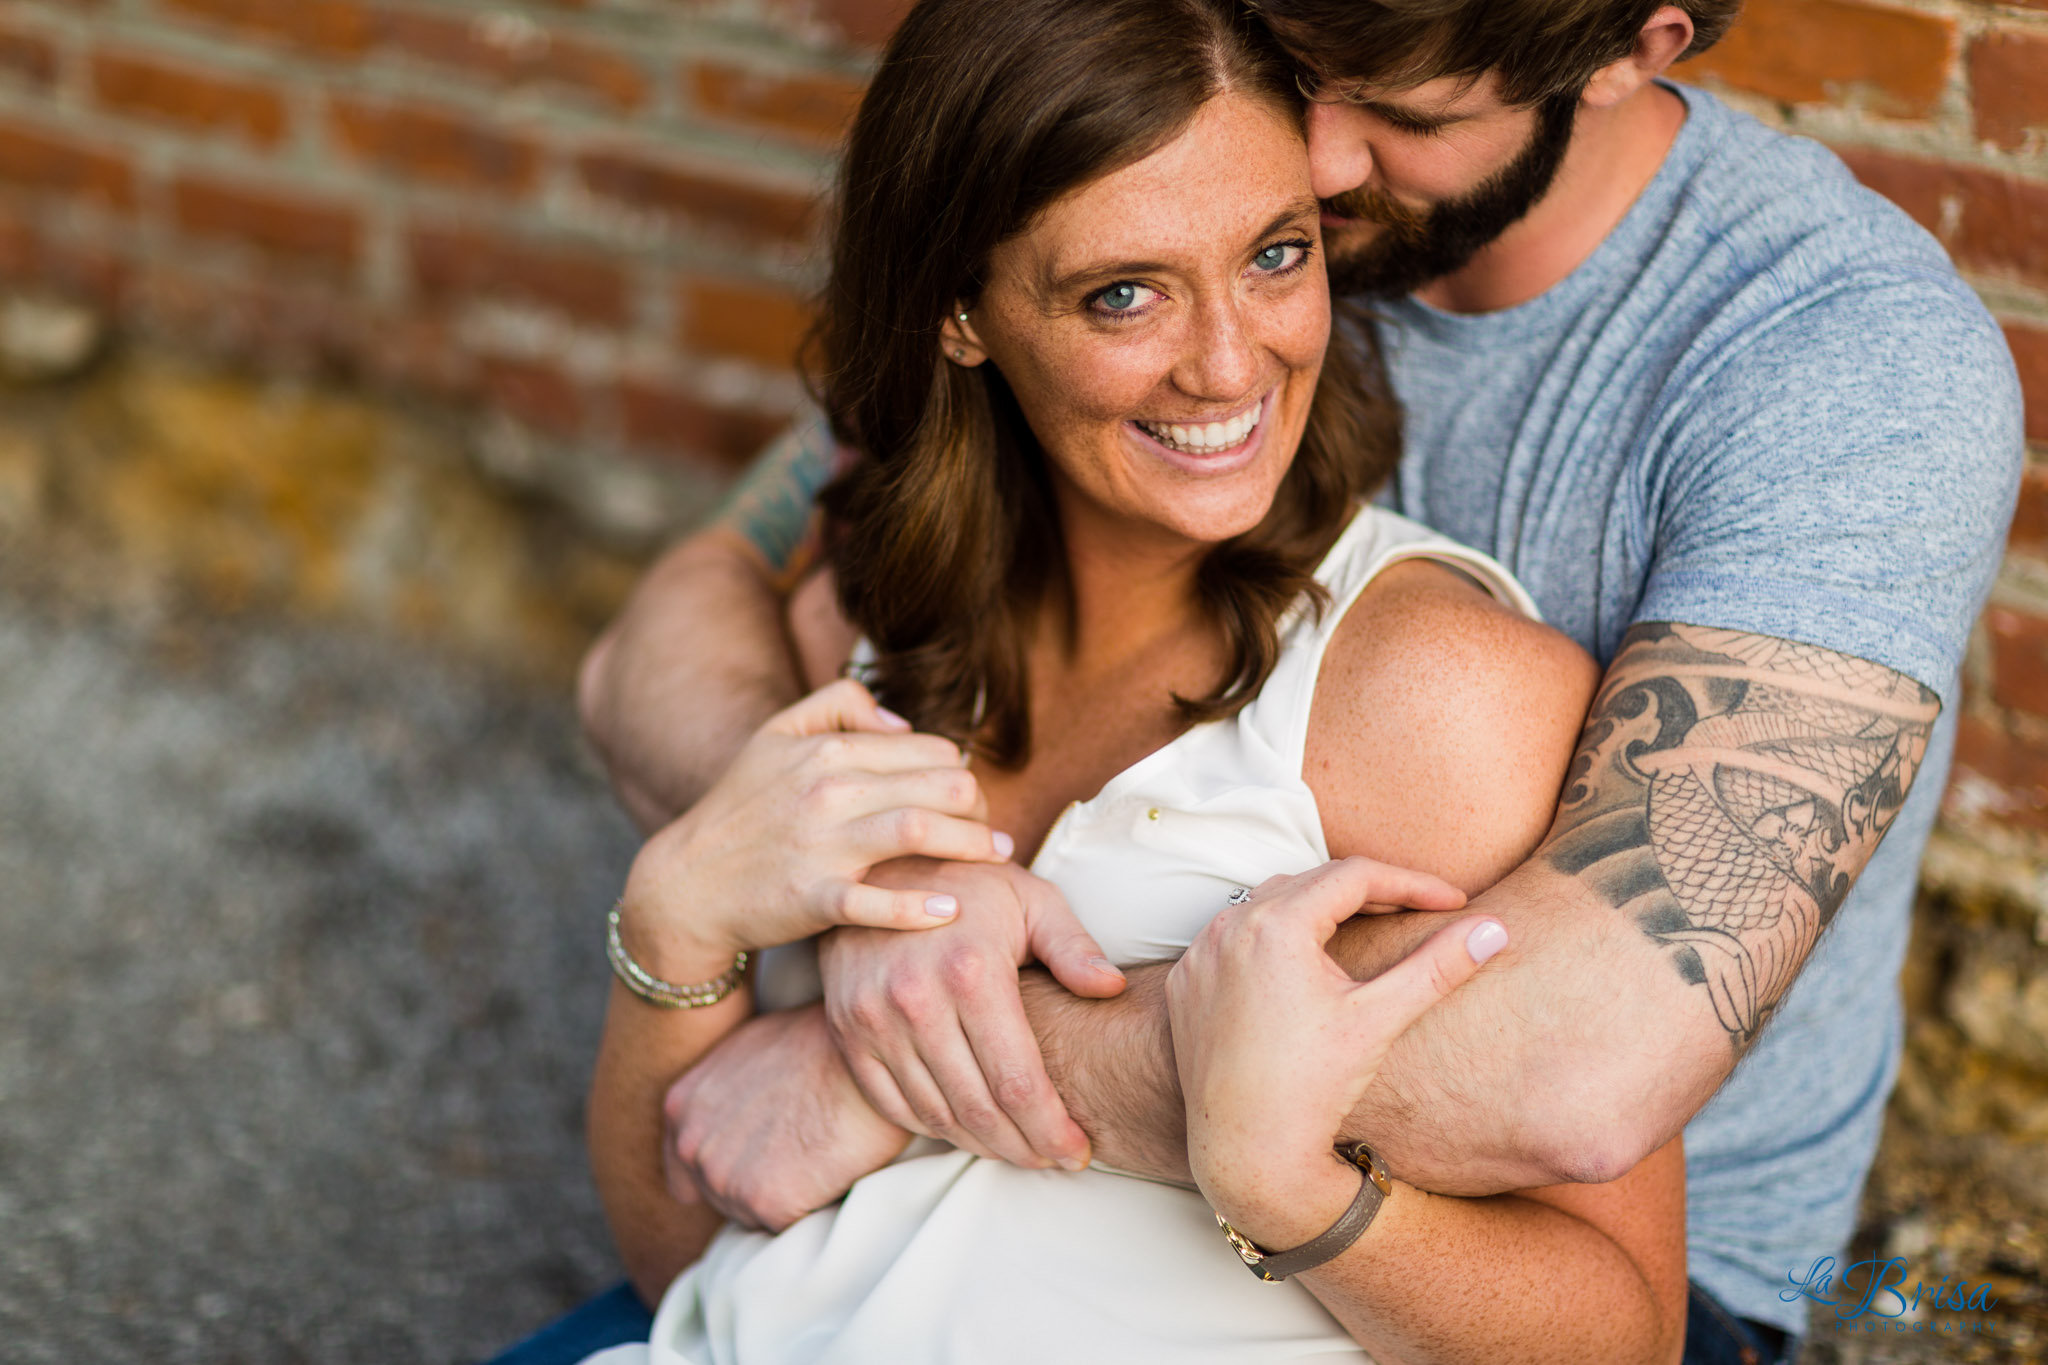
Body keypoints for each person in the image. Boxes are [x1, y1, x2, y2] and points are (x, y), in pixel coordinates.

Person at [568, 1, 2024, 1362]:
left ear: (1633, 47)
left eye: (1391, 109)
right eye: (1300, 54)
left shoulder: (1844, 367)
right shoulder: (1201, 153)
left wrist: (901, 1049)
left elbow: (1571, 1074)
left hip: (1596, 1248)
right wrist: (876, 869)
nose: (1320, 160)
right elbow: (698, 611)